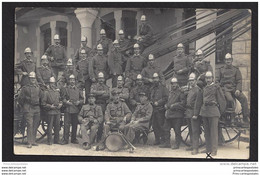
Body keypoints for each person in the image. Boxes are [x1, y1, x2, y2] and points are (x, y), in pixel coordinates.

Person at [194, 71, 226, 156]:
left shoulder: (216, 87)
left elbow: (222, 100)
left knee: (214, 132)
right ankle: (208, 148)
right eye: (207, 78)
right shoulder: (203, 89)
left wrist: (219, 111)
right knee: (206, 132)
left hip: (213, 111)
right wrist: (196, 113)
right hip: (204, 111)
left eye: (209, 78)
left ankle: (214, 150)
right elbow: (199, 101)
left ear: (212, 78)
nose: (208, 80)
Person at [216, 53, 250, 124]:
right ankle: (231, 117)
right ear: (224, 60)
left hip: (234, 89)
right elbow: (217, 81)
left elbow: (239, 81)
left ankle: (245, 117)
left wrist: (238, 89)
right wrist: (220, 89)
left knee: (244, 99)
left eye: (229, 59)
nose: (228, 61)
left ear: (232, 60)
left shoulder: (236, 70)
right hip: (225, 89)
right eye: (226, 59)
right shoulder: (220, 70)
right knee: (230, 100)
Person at [17, 72, 43, 148]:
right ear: (29, 79)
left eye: (34, 78)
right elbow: (20, 99)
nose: (33, 80)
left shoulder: (38, 88)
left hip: (36, 108)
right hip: (28, 108)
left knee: (35, 124)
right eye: (31, 78)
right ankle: (29, 142)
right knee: (30, 124)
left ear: (35, 79)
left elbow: (41, 97)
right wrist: (25, 106)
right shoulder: (25, 88)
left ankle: (33, 141)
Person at [159, 77, 186, 149]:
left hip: (177, 114)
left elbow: (183, 103)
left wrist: (174, 105)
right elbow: (168, 102)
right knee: (166, 129)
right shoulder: (170, 92)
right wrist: (166, 105)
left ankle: (177, 144)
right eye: (172, 83)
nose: (173, 85)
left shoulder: (181, 92)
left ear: (177, 84)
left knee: (177, 130)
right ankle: (167, 143)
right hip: (169, 114)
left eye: (175, 83)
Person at [61, 74, 84, 145]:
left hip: (76, 109)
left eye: (73, 80)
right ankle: (65, 139)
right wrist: (66, 102)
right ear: (69, 81)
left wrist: (79, 102)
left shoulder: (78, 90)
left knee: (75, 124)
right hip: (68, 108)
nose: (72, 81)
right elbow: (63, 98)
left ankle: (73, 139)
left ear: (75, 81)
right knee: (66, 125)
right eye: (71, 80)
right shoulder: (66, 89)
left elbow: (82, 99)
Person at [42, 77, 63, 145]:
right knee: (50, 126)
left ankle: (57, 140)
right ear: (49, 84)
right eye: (51, 83)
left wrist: (60, 104)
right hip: (50, 111)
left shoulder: (57, 92)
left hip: (57, 111)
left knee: (57, 126)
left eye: (53, 83)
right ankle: (49, 140)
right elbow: (43, 103)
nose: (52, 85)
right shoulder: (46, 92)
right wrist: (50, 106)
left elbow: (60, 100)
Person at [184, 73, 202, 155]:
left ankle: (196, 148)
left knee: (195, 131)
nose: (191, 82)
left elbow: (198, 103)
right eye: (190, 81)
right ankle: (192, 145)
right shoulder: (191, 89)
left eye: (192, 80)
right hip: (188, 113)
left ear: (195, 81)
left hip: (194, 113)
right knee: (191, 130)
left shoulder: (198, 90)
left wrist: (196, 114)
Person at [150, 73, 169, 145]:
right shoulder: (152, 88)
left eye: (156, 78)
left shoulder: (163, 88)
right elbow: (150, 97)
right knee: (154, 125)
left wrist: (158, 102)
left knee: (161, 125)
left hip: (160, 109)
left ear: (159, 79)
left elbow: (166, 98)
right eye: (154, 78)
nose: (155, 80)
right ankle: (157, 139)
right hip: (153, 109)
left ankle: (163, 140)